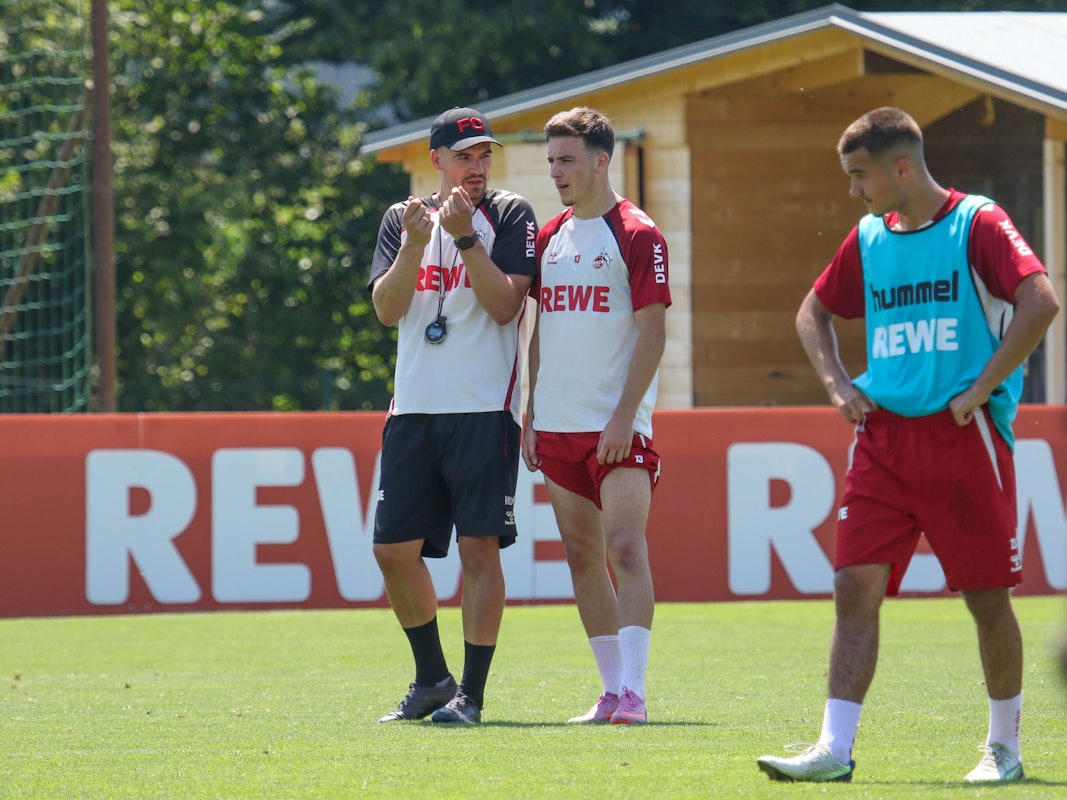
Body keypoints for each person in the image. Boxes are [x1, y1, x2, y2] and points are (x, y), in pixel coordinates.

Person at [757, 107, 1059, 782]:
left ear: (900, 168)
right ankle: (833, 749)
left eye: (858, 175)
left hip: (961, 436)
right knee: (851, 585)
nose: (852, 190)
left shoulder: (974, 223)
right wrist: (838, 386)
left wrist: (981, 387)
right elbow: (811, 312)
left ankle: (1003, 749)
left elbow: (1039, 300)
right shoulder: (867, 237)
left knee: (984, 596)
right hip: (883, 439)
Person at [368, 106, 538, 724]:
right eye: (465, 155)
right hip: (413, 409)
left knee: (479, 551)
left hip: (482, 409)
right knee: (392, 551)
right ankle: (432, 679)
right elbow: (388, 311)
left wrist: (466, 239)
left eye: (485, 154)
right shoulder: (401, 218)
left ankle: (473, 694)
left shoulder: (511, 214)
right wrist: (417, 244)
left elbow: (503, 307)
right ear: (435, 158)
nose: (477, 166)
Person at [521, 106, 671, 725]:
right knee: (582, 557)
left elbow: (654, 333)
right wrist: (530, 412)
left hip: (617, 427)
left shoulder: (637, 233)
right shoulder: (548, 237)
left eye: (567, 160)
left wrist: (623, 415)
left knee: (627, 549)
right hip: (556, 423)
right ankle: (610, 690)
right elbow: (539, 331)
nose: (556, 172)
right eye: (551, 161)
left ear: (601, 160)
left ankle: (635, 692)